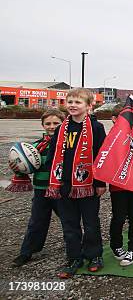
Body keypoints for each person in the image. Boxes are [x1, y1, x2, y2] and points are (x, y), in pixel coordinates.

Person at [44, 88, 107, 279]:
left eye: (77, 102)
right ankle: (74, 257)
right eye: (69, 101)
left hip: (87, 184)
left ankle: (94, 255)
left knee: (90, 223)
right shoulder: (62, 127)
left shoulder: (96, 128)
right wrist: (52, 178)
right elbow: (53, 153)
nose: (72, 105)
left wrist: (100, 182)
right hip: (64, 184)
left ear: (89, 106)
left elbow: (100, 156)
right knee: (69, 224)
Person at [12, 109, 65, 267]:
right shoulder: (33, 147)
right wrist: (17, 166)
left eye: (56, 123)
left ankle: (76, 248)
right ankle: (26, 252)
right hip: (41, 189)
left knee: (69, 221)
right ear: (42, 125)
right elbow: (25, 167)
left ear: (63, 124)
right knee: (36, 221)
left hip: (60, 190)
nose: (51, 126)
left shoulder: (66, 146)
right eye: (48, 123)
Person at [109, 108, 133, 266]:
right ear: (114, 119)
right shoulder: (110, 136)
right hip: (117, 185)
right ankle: (116, 245)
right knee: (118, 217)